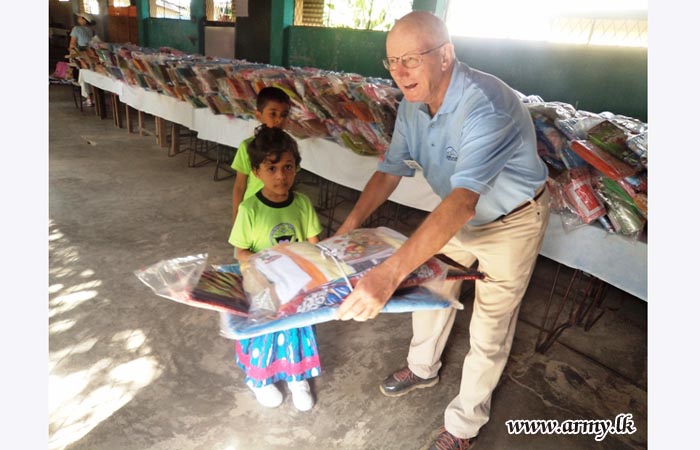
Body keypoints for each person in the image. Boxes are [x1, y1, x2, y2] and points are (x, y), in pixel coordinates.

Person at [334, 11, 550, 450]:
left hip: (512, 223)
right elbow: (390, 171)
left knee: (489, 328)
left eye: (410, 59)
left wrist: (387, 274)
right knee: (430, 289)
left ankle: (463, 425)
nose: (399, 72)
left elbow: (462, 201)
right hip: (457, 216)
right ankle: (422, 368)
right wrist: (348, 227)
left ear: (446, 56)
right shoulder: (412, 106)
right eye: (392, 61)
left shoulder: (484, 105)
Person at [226, 125, 323, 411]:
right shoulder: (249, 209)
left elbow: (315, 245)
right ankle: (260, 380)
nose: (281, 175)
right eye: (272, 168)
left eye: (288, 167)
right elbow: (240, 251)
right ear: (256, 172)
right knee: (265, 334)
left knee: (297, 330)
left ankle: (297, 377)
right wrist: (262, 263)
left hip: (295, 286)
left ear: (296, 168)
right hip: (262, 287)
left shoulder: (303, 204)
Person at [231, 86, 291, 225]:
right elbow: (240, 185)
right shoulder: (247, 147)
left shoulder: (289, 147)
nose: (279, 120)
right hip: (253, 211)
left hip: (280, 210)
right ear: (259, 116)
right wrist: (236, 217)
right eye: (273, 114)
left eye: (284, 115)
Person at [69, 13, 97, 107]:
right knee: (93, 73)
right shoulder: (92, 30)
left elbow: (72, 44)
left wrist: (72, 54)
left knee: (85, 74)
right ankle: (95, 97)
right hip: (92, 53)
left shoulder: (76, 29)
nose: (78, 18)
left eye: (80, 17)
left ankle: (89, 98)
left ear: (84, 20)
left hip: (82, 53)